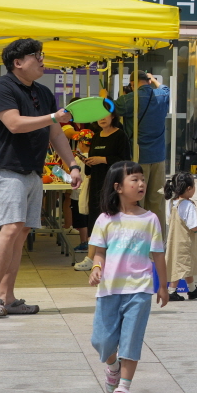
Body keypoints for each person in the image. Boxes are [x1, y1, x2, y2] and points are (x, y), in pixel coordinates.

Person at [0, 39, 78, 318]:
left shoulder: (44, 93)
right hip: (6, 169)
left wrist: (72, 164)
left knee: (21, 233)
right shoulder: (1, 87)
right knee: (10, 229)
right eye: (36, 55)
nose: (42, 59)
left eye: (42, 54)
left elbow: (56, 133)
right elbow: (13, 123)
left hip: (33, 170)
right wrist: (52, 117)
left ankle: (8, 297)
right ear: (18, 62)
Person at [87, 160, 168, 393]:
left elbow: (157, 256)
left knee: (131, 339)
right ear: (118, 187)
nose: (141, 183)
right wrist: (96, 268)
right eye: (134, 180)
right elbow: (98, 252)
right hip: (109, 289)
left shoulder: (150, 219)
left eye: (142, 179)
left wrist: (163, 286)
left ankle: (123, 388)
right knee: (101, 340)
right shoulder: (105, 219)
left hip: (139, 289)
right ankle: (113, 368)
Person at [74, 108, 128, 272]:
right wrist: (89, 162)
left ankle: (110, 258)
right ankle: (91, 257)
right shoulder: (96, 136)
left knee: (112, 220)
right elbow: (92, 157)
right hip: (96, 183)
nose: (102, 119)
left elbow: (125, 161)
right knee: (95, 219)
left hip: (113, 184)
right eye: (99, 116)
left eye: (105, 115)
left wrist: (102, 159)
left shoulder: (120, 135)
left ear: (113, 116)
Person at [115, 72, 171, 213]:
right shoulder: (162, 95)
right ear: (149, 81)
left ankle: (140, 233)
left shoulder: (129, 100)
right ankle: (157, 233)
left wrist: (104, 96)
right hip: (159, 156)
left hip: (138, 155)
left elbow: (109, 108)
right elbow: (166, 89)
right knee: (157, 199)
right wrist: (153, 79)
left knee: (137, 199)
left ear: (132, 83)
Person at [162, 171, 197, 299]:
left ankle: (192, 289)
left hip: (173, 240)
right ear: (188, 188)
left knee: (185, 265)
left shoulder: (171, 203)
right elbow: (193, 226)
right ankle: (171, 291)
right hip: (185, 241)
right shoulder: (188, 205)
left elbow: (168, 220)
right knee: (181, 266)